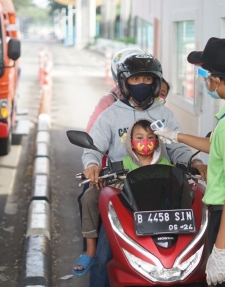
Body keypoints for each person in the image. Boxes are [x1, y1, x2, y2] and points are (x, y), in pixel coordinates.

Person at [81, 52, 207, 286]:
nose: (141, 85)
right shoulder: (111, 116)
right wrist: (92, 165)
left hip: (163, 190)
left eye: (147, 80)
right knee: (105, 256)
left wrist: (195, 163)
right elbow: (93, 148)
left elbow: (178, 148)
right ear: (124, 83)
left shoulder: (163, 113)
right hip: (121, 193)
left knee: (188, 251)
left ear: (156, 82)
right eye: (135, 80)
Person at [154, 37, 225, 286]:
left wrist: (220, 250)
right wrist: (176, 135)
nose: (205, 81)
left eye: (205, 75)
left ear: (217, 80)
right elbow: (219, 147)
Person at [74, 119, 171, 275]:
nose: (145, 142)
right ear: (131, 142)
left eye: (150, 138)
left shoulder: (165, 165)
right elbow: (110, 182)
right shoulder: (121, 165)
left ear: (157, 141)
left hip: (157, 221)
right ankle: (90, 251)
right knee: (103, 258)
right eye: (139, 138)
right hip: (124, 217)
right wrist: (102, 178)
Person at [85, 47, 145, 133]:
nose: (140, 83)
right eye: (134, 78)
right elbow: (91, 132)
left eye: (145, 77)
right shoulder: (107, 102)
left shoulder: (154, 102)